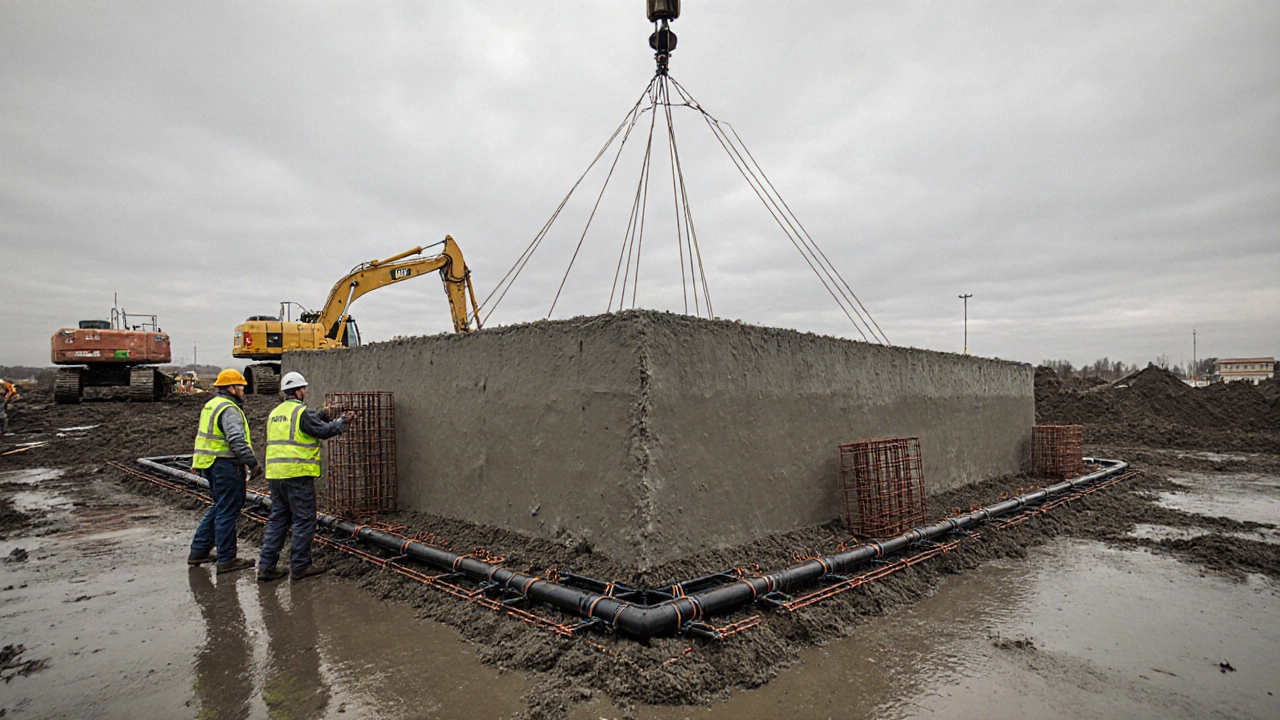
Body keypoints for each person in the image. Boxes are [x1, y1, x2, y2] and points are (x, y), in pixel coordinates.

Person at [257, 371, 354, 582]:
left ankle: (266, 567)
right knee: (304, 520)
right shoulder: (301, 413)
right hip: (297, 475)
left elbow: (306, 423)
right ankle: (300, 567)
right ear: (299, 391)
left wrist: (323, 413)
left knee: (278, 520)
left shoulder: (275, 413)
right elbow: (324, 430)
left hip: (275, 476)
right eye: (304, 389)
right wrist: (342, 421)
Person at [189, 368, 259, 574]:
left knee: (220, 506)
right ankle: (227, 559)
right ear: (231, 387)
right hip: (225, 465)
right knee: (228, 510)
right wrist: (253, 464)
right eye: (241, 387)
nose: (243, 391)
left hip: (208, 463)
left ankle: (199, 551)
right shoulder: (229, 409)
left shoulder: (212, 404)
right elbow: (236, 440)